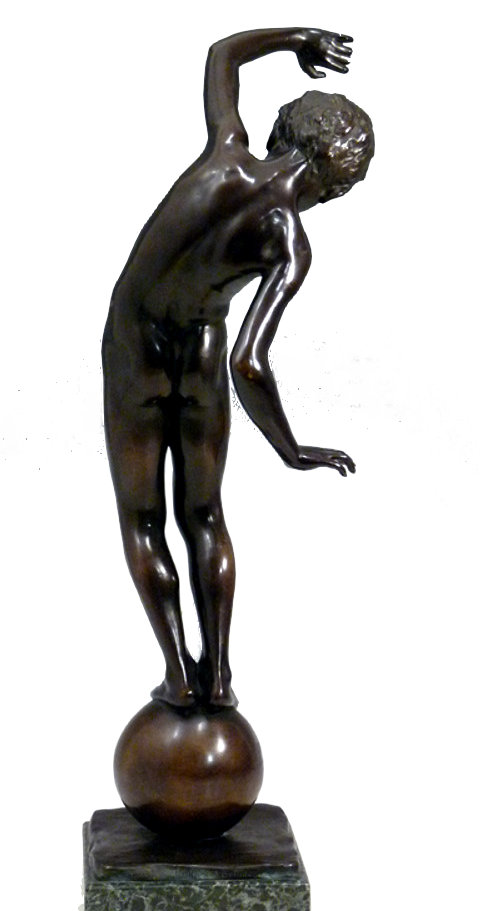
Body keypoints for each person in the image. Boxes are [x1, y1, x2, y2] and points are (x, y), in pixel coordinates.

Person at [102, 28, 374, 709]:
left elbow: (222, 53)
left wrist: (297, 39)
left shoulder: (226, 151)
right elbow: (248, 362)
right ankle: (218, 675)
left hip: (135, 343)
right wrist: (291, 449)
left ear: (284, 130)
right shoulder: (291, 246)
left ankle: (178, 671)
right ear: (337, 188)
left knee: (143, 521)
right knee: (204, 515)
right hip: (200, 349)